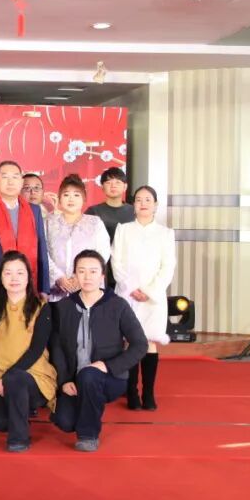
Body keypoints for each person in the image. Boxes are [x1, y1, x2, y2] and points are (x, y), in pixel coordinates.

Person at [50, 250, 148, 452]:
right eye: (81, 271)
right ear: (75, 274)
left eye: (93, 271)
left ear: (102, 275)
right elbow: (56, 347)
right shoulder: (63, 307)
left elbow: (140, 345)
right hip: (74, 380)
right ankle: (89, 405)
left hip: (110, 378)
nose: (87, 277)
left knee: (89, 375)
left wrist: (108, 366)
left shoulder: (117, 305)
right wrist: (64, 381)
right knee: (65, 422)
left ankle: (88, 436)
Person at [0, 251, 56, 452]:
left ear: (28, 277)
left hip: (33, 377)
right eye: (8, 273)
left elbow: (36, 350)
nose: (14, 278)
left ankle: (19, 439)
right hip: (0, 379)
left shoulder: (41, 307)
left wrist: (7, 378)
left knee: (16, 380)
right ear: (0, 277)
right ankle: (20, 410)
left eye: (20, 273)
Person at [112, 186, 176, 411]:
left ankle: (148, 392)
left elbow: (167, 267)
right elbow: (116, 262)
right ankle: (131, 392)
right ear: (133, 205)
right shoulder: (123, 230)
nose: (143, 204)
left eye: (148, 200)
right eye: (138, 200)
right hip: (127, 294)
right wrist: (131, 288)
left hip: (153, 297)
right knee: (130, 342)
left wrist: (149, 291)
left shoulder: (165, 233)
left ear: (155, 205)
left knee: (149, 342)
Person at [0, 160, 50, 311]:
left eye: (15, 177)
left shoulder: (34, 211)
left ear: (21, 181)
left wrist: (44, 287)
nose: (10, 182)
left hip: (29, 287)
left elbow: (42, 250)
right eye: (5, 176)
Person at [45, 174, 111, 302]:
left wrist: (80, 276)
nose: (71, 199)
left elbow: (103, 252)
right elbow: (43, 253)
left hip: (88, 285)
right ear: (59, 198)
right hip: (56, 288)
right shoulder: (49, 222)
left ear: (84, 198)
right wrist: (58, 277)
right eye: (66, 195)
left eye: (76, 195)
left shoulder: (95, 223)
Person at [86, 167, 135, 242]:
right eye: (108, 183)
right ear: (102, 187)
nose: (113, 186)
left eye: (117, 182)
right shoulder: (93, 211)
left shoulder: (134, 211)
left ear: (125, 187)